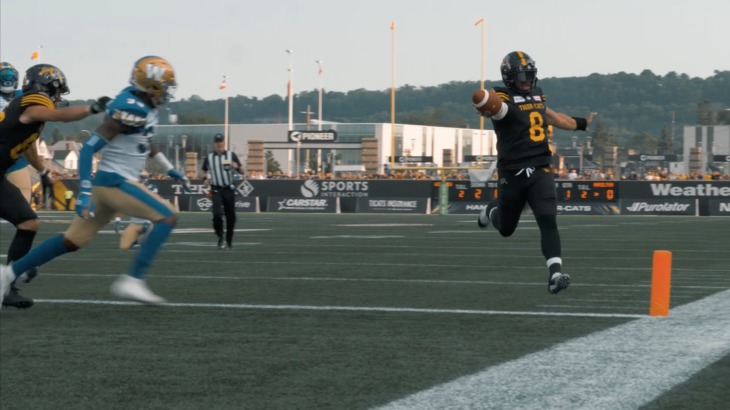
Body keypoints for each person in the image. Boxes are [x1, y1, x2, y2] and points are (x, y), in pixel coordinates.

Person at [0, 56, 190, 306]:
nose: (166, 93)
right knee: (167, 216)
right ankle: (133, 280)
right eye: (163, 87)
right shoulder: (35, 101)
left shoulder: (144, 107)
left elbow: (147, 141)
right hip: (114, 181)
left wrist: (169, 168)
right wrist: (85, 191)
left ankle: (8, 275)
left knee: (65, 238)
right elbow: (82, 139)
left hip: (108, 182)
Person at [475, 51, 596, 294]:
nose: (525, 82)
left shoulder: (537, 95)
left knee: (548, 218)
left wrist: (580, 124)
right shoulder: (501, 96)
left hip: (540, 166)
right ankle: (491, 209)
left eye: (528, 76)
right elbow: (489, 103)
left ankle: (555, 275)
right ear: (509, 78)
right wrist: (485, 106)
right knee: (506, 229)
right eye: (520, 77)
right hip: (512, 171)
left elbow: (553, 117)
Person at [0, 63, 108, 309]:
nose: (58, 97)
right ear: (46, 87)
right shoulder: (33, 103)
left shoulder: (26, 111)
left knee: (29, 224)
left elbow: (27, 145)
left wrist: (43, 171)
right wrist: (91, 108)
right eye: (56, 90)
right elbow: (58, 115)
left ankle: (7, 286)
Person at [201, 133, 244, 250]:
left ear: (224, 143)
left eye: (221, 142)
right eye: (217, 142)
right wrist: (205, 179)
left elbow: (242, 171)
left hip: (229, 189)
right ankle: (220, 235)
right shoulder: (209, 157)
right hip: (216, 189)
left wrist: (235, 165)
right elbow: (203, 171)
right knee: (217, 214)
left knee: (231, 216)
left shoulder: (231, 155)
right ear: (214, 144)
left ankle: (229, 240)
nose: (219, 144)